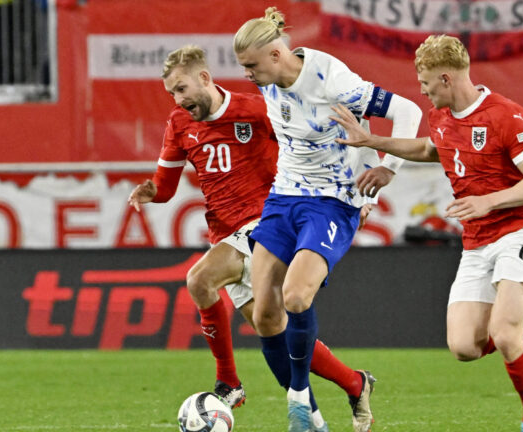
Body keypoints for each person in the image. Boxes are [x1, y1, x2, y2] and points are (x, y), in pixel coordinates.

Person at [331, 35, 523, 432]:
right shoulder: (442, 117)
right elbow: (432, 151)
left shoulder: (506, 116)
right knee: (464, 348)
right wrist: (374, 144)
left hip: (519, 230)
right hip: (476, 240)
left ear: (446, 79)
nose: (422, 89)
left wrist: (490, 201)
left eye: (425, 82)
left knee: (504, 336)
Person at [127, 45, 381, 431]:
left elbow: (317, 143)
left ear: (205, 79)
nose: (178, 100)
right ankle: (352, 384)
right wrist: (150, 191)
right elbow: (166, 186)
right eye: (171, 94)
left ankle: (229, 382)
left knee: (200, 279)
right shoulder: (179, 124)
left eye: (181, 89)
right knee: (275, 335)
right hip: (225, 233)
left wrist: (355, 194)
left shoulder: (256, 109)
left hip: (268, 225)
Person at [233, 7, 422, 432]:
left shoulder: (331, 79)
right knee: (264, 316)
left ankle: (298, 396)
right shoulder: (271, 80)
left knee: (296, 297)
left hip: (332, 202)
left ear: (277, 54)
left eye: (251, 66)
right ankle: (317, 419)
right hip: (283, 198)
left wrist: (388, 166)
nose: (246, 74)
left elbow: (408, 111)